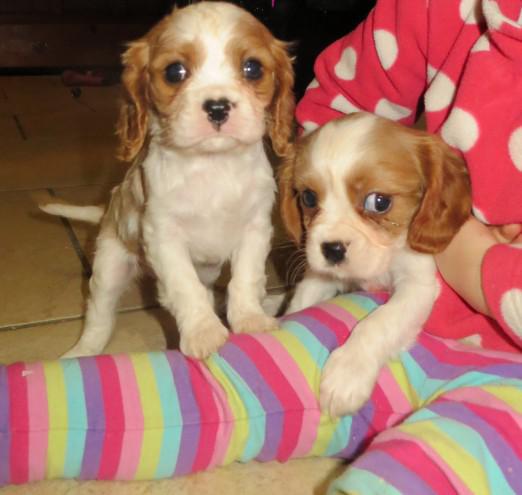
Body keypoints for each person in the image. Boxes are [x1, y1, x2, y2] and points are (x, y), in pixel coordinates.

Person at [2, 0, 520, 492]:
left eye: (251, 71)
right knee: (228, 380)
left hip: (500, 373)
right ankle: (21, 416)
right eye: (177, 73)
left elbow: (264, 222)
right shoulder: (431, 11)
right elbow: (334, 114)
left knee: (463, 457)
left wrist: (475, 258)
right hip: (366, 317)